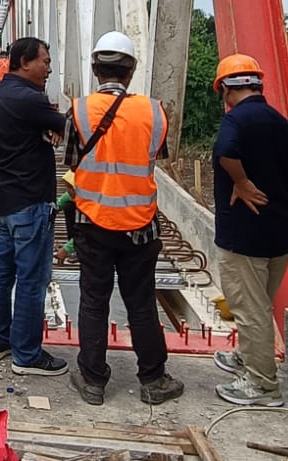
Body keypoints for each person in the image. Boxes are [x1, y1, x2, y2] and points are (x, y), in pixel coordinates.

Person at [65, 32, 182, 405]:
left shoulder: (79, 110)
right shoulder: (153, 111)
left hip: (92, 222)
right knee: (141, 301)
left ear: (95, 69)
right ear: (131, 71)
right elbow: (157, 154)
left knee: (94, 300)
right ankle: (153, 380)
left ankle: (94, 380)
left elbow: (72, 162)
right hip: (140, 225)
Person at [207, 53, 288, 407]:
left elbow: (225, 151)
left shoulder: (237, 121)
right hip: (278, 235)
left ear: (226, 91)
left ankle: (263, 385)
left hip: (244, 237)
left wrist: (242, 182)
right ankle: (248, 359)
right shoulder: (281, 122)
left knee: (251, 309)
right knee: (259, 305)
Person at [0, 36, 69, 377]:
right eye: (44, 61)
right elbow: (71, 127)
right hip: (29, 201)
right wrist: (54, 125)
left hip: (2, 199)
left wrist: (44, 131)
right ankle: (27, 354)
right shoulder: (30, 98)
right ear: (24, 63)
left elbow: (34, 129)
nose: (48, 68)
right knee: (32, 279)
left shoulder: (0, 93)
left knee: (2, 273)